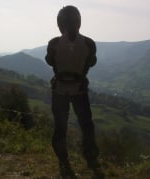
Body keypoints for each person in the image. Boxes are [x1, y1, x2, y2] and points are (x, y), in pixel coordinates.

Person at [45, 5, 104, 178]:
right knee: (86, 125)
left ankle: (63, 159)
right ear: (79, 22)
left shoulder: (53, 44)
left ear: (59, 23)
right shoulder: (89, 44)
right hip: (80, 91)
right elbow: (91, 63)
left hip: (59, 91)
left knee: (60, 127)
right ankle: (91, 157)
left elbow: (50, 61)